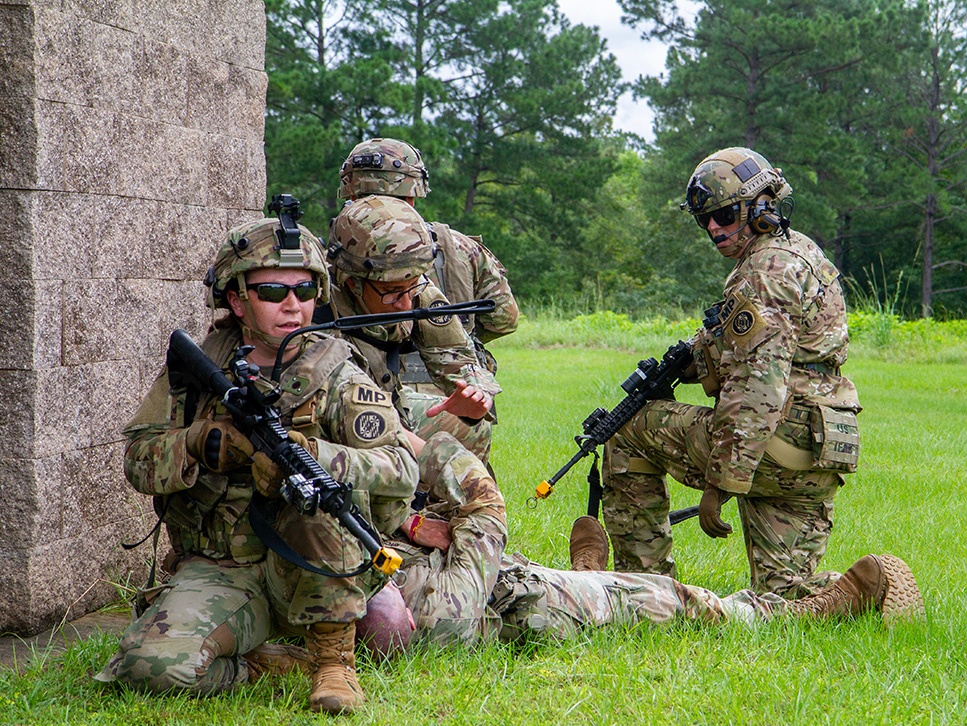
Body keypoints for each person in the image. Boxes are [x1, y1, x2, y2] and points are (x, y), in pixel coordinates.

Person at [95, 217, 419, 715]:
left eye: (306, 288)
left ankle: (334, 662)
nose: (293, 305)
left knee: (316, 504)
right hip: (220, 568)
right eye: (272, 290)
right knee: (152, 668)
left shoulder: (337, 373)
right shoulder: (198, 369)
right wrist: (198, 444)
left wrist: (317, 457)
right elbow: (137, 461)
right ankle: (270, 661)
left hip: (314, 572)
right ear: (236, 298)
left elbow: (401, 469)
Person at [357, 437, 921, 655]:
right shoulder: (425, 614)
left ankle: (585, 573)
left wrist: (406, 522)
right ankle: (793, 616)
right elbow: (458, 606)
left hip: (449, 575)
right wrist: (456, 472)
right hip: (501, 601)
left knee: (550, 581)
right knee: (662, 599)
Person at [594, 147, 862, 598]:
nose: (714, 229)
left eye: (722, 214)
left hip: (777, 440)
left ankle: (647, 592)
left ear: (761, 205)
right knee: (784, 598)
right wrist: (697, 356)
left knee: (627, 431)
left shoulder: (762, 272)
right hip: (823, 444)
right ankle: (868, 589)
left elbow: (758, 385)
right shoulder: (799, 251)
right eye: (705, 221)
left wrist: (721, 483)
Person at [322, 194, 501, 463]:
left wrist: (474, 399)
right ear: (351, 281)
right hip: (329, 422)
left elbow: (457, 356)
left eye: (413, 286)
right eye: (391, 292)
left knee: (467, 428)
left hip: (391, 405)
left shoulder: (412, 285)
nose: (406, 303)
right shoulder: (313, 302)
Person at [331, 136, 519, 385]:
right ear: (412, 195)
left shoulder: (335, 252)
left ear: (351, 194)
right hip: (455, 389)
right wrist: (460, 334)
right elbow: (503, 318)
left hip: (363, 391)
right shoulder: (460, 246)